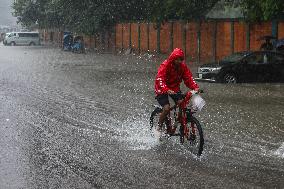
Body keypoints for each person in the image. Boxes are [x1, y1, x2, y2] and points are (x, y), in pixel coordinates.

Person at [154, 48, 199, 135]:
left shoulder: (183, 67)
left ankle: (178, 122)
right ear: (173, 58)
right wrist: (166, 89)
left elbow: (189, 78)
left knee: (182, 102)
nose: (179, 61)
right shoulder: (165, 65)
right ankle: (159, 126)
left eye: (181, 59)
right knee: (166, 108)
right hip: (161, 88)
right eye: (177, 59)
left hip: (174, 88)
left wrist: (195, 87)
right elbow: (160, 79)